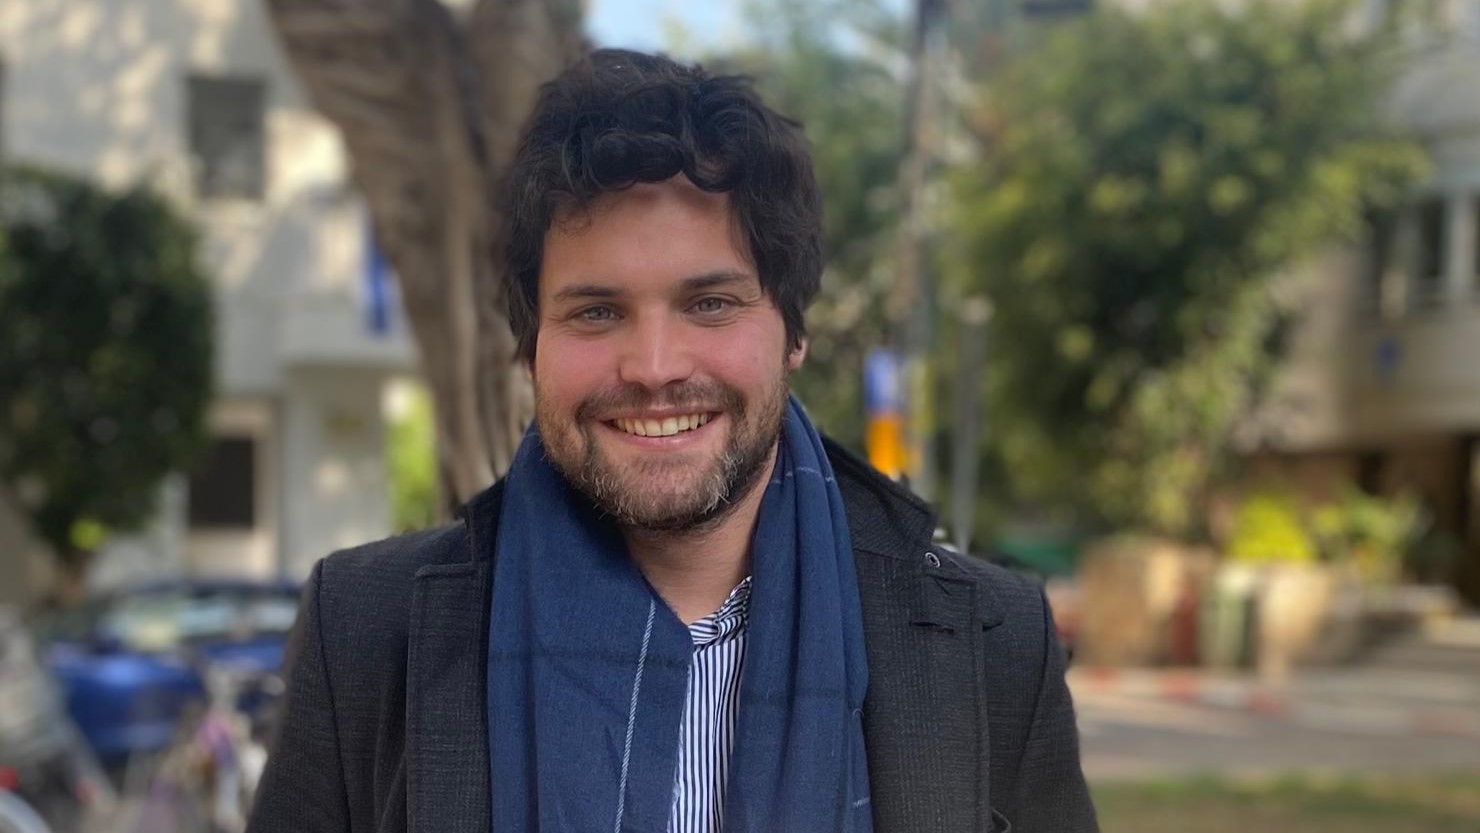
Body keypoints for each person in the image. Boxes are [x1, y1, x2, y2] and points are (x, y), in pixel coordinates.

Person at [247, 49, 1096, 833]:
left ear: (793, 332)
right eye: (596, 311)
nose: (653, 367)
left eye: (711, 303)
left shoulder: (994, 639)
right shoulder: (362, 630)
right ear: (529, 343)